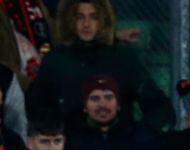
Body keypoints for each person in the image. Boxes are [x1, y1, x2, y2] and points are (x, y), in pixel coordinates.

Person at [27, 0, 174, 130]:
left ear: (103, 20)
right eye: (80, 17)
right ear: (70, 20)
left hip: (117, 148)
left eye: (94, 17)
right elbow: (36, 107)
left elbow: (159, 106)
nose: (86, 24)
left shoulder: (122, 59)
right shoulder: (55, 60)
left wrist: (137, 137)